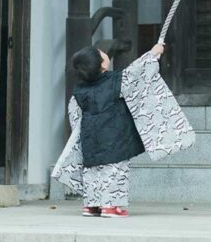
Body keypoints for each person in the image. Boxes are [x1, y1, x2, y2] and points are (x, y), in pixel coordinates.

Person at [52, 41, 195, 217]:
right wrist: (154, 53)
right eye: (100, 53)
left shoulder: (79, 91)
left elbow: (74, 115)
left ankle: (92, 205)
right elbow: (137, 71)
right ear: (103, 64)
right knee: (114, 170)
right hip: (115, 137)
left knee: (92, 170)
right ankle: (111, 206)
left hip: (90, 137)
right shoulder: (115, 82)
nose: (103, 52)